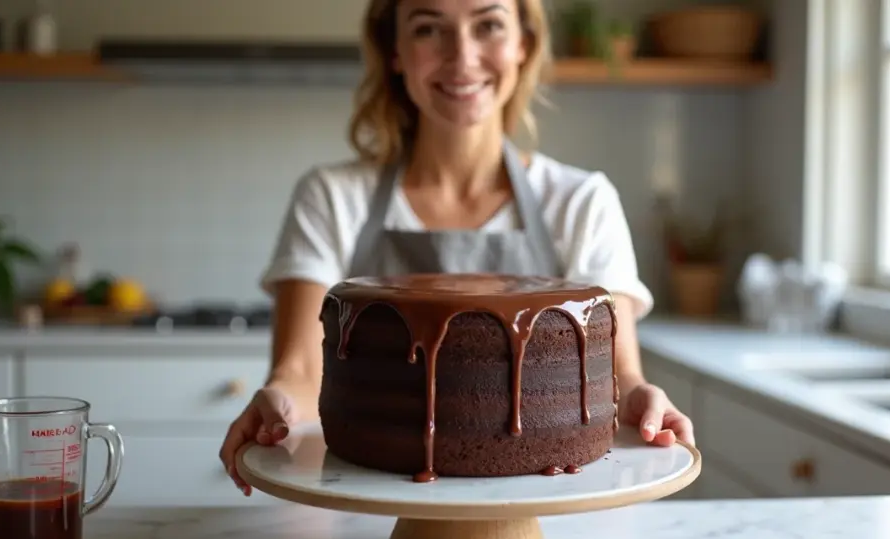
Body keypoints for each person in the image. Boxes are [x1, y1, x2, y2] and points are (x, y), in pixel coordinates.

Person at [219, 0, 695, 496]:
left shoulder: (581, 202)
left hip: (549, 505)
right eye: (429, 28)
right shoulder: (332, 197)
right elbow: (298, 372)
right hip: (368, 510)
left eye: (488, 24)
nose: (462, 56)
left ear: (523, 45)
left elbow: (619, 377)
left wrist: (642, 398)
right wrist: (277, 401)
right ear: (395, 51)